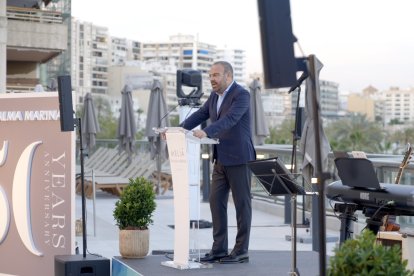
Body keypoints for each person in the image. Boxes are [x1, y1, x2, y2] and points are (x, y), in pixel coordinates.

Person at [181, 61, 256, 264]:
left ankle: (241, 251)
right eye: (210, 75)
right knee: (216, 203)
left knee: (242, 205)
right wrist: (178, 130)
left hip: (240, 158)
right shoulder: (214, 96)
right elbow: (201, 114)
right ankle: (219, 249)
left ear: (228, 76)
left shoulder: (241, 95)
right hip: (221, 158)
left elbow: (230, 119)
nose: (212, 79)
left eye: (216, 75)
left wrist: (206, 131)